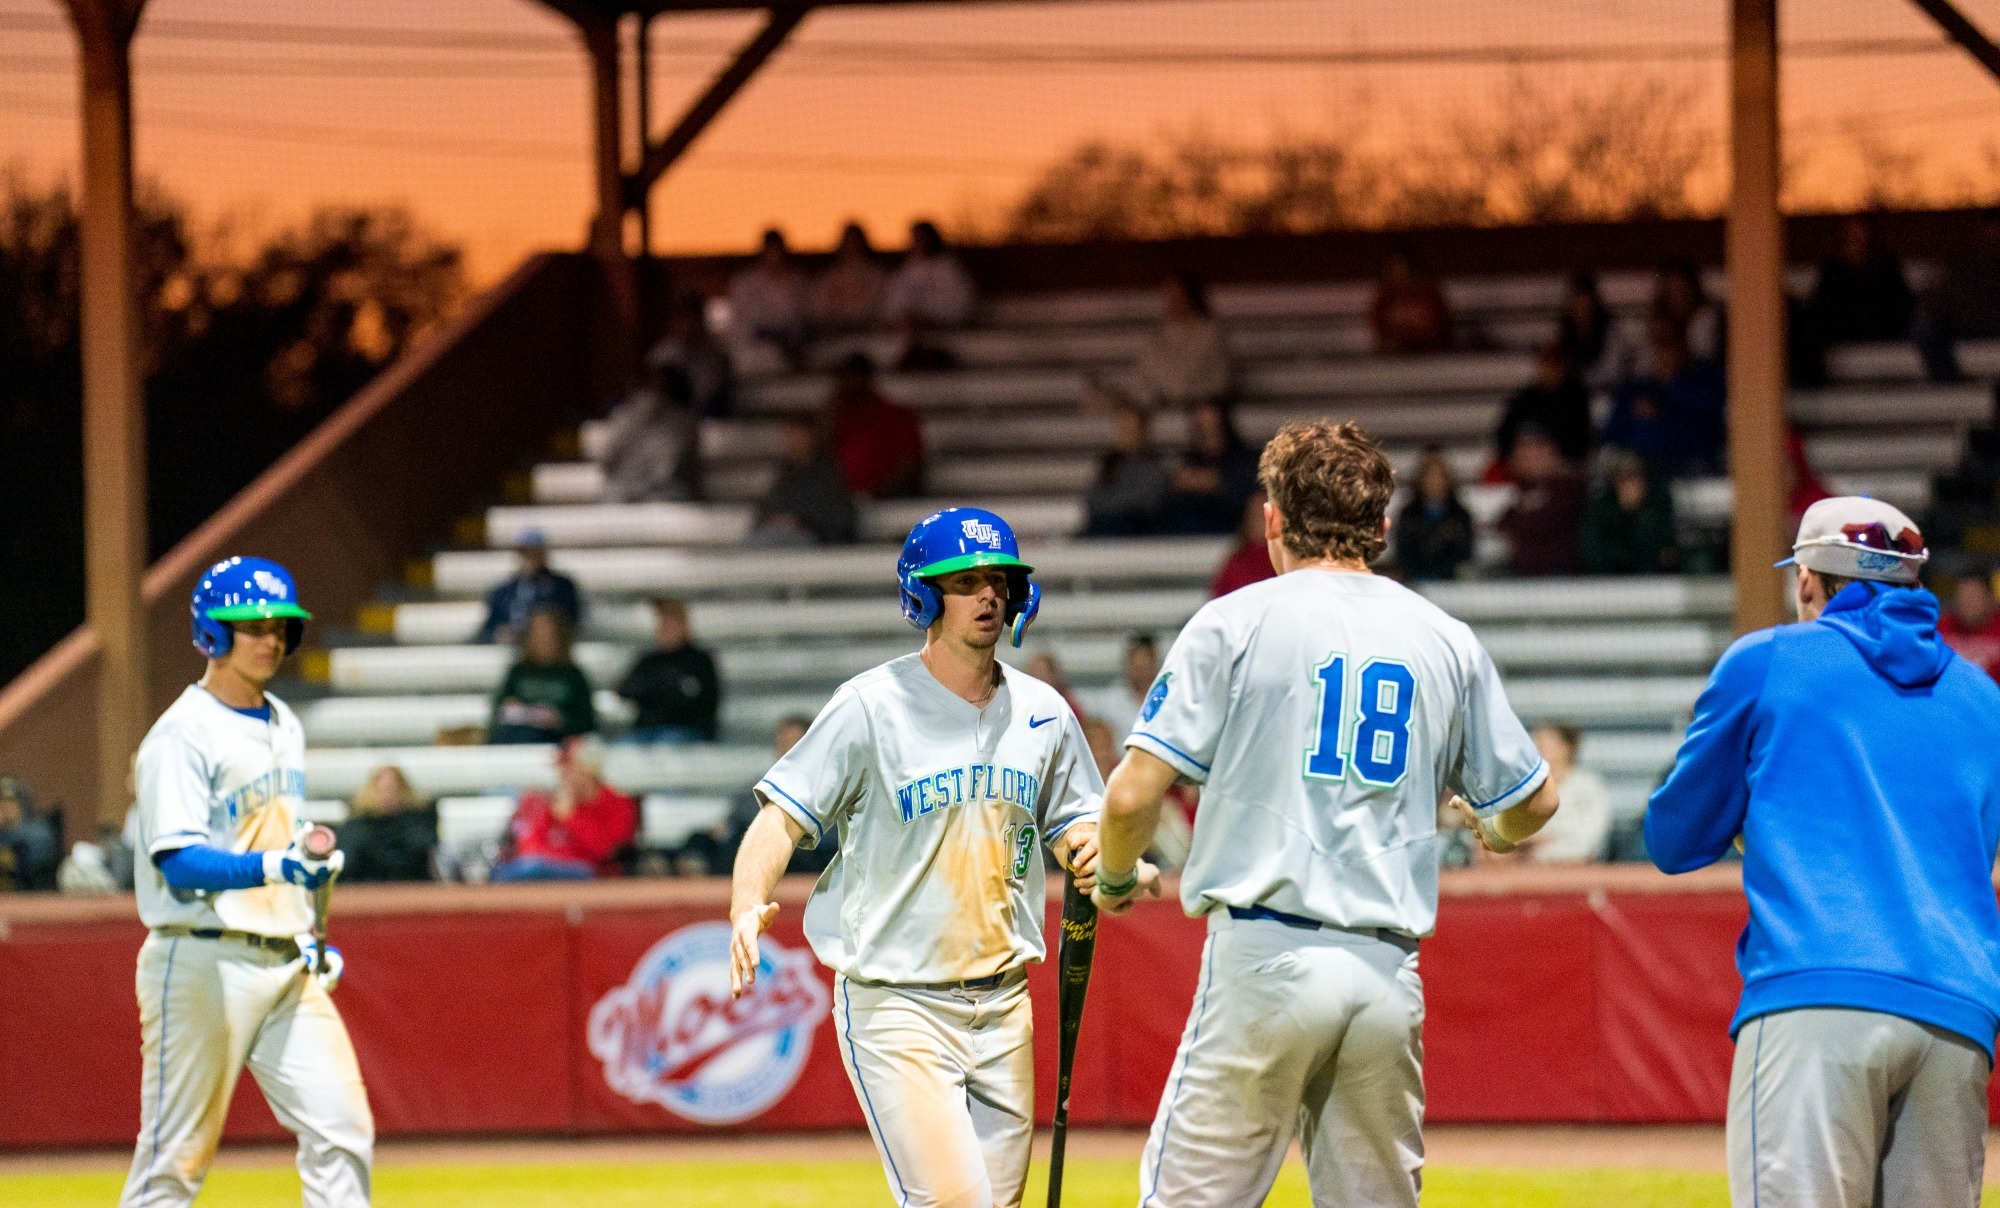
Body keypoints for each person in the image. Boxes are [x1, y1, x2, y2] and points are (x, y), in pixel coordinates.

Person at [1088, 420, 1558, 1208]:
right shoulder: (1444, 637)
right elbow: (1532, 801)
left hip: (1265, 955)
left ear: (1273, 517)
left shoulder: (1234, 620)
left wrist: (1110, 878)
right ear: (1381, 525)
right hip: (1384, 970)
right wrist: (1496, 829)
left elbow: (1133, 794)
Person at [727, 508, 1159, 1208]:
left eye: (998, 580)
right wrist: (747, 904)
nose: (987, 594)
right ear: (923, 596)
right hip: (898, 1004)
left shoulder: (1045, 712)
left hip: (1005, 1002)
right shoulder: (869, 706)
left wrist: (1106, 864)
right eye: (963, 582)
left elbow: (1079, 828)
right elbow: (779, 819)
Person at [1645, 497, 2000, 1208]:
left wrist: (1757, 814)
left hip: (1816, 993)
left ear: (1808, 578)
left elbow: (1675, 838)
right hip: (1959, 1013)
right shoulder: (1983, 696)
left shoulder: (1769, 659)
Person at [119, 556, 372, 1207]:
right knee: (175, 1161)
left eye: (279, 627)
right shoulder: (181, 733)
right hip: (201, 957)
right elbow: (178, 861)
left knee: (342, 1128)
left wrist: (304, 922)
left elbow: (275, 838)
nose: (269, 639)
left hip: (284, 961)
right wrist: (277, 866)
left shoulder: (284, 721)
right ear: (213, 632)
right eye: (252, 626)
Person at [490, 737, 637, 881]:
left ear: (589, 771)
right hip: (540, 869)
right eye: (561, 767)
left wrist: (572, 817)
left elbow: (604, 851)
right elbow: (529, 849)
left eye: (569, 767)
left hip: (591, 874)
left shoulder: (617, 802)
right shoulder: (544, 799)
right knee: (508, 872)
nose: (562, 774)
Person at [1602, 320, 1726, 480]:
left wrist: (1672, 386)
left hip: (1690, 463)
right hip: (1644, 467)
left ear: (1682, 346)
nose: (1663, 352)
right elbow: (1611, 432)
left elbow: (1711, 415)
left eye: (1668, 344)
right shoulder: (1638, 387)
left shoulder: (1703, 377)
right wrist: (1635, 414)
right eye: (1657, 345)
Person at [719, 716, 834, 876]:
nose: (786, 750)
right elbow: (736, 820)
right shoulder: (763, 787)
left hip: (808, 860)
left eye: (793, 743)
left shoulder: (830, 787)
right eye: (782, 743)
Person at [615, 597, 721, 744]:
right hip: (647, 731)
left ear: (683, 625)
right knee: (622, 749)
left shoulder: (699, 661)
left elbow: (700, 701)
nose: (664, 629)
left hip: (686, 731)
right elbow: (624, 689)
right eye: (662, 624)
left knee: (666, 745)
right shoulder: (650, 661)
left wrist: (658, 692)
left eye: (669, 624)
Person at [488, 608, 597, 745]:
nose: (543, 642)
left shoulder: (573, 675)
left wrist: (560, 719)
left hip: (558, 742)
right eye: (538, 636)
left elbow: (587, 721)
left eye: (549, 637)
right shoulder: (518, 672)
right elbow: (498, 711)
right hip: (519, 740)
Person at [1915, 208, 2000, 382]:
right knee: (1926, 328)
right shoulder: (1970, 260)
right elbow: (1949, 297)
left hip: (1991, 320)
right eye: (1993, 227)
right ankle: (1948, 383)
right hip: (1972, 320)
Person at [825, 352, 924, 500]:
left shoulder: (896, 416)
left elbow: (911, 465)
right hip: (838, 501)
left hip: (889, 500)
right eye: (846, 377)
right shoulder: (832, 417)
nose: (852, 382)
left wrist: (877, 494)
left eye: (856, 376)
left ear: (868, 378)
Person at [598, 365, 701, 504]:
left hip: (663, 494)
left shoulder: (683, 422)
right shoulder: (623, 416)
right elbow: (608, 461)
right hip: (625, 493)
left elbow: (672, 470)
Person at [751, 415, 859, 546]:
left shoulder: (828, 474)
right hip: (779, 535)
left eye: (798, 436)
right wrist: (776, 520)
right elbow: (765, 511)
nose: (793, 441)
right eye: (790, 436)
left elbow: (839, 519)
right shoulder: (784, 474)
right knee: (758, 539)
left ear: (811, 437)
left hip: (814, 540)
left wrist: (800, 521)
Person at [1808, 215, 1914, 346]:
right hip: (1839, 337)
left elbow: (1901, 306)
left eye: (1862, 239)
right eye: (1852, 239)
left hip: (1883, 335)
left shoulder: (1886, 268)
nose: (1857, 245)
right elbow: (1821, 310)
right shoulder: (1833, 271)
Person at [1160, 399, 1260, 535]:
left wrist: (1218, 483)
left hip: (1235, 531)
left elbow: (1253, 496)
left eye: (1212, 427)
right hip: (1190, 535)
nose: (1207, 433)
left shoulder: (1247, 461)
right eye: (1200, 428)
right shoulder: (1187, 462)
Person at [1496, 426, 1586, 577]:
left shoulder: (1569, 485)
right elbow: (1505, 523)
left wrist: (1522, 520)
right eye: (1523, 454)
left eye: (1534, 453)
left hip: (1561, 574)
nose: (1526, 460)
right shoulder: (1523, 489)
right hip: (1525, 575)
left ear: (1552, 452)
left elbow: (1545, 523)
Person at [1134, 271, 1231, 407]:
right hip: (1163, 403)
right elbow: (1144, 377)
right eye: (1167, 297)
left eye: (1176, 296)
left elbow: (1181, 383)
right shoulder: (1157, 334)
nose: (1170, 303)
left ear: (1190, 297)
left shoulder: (1208, 332)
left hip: (1204, 403)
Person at [1493, 344, 1592, 472]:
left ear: (1564, 368)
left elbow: (1580, 439)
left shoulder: (1575, 399)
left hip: (1562, 463)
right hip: (1522, 463)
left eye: (1555, 365)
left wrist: (1549, 453)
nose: (1550, 370)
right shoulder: (1526, 398)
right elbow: (1505, 435)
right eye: (1546, 364)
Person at [1520, 724, 1611, 863]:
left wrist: (1542, 849)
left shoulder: (1589, 787)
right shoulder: (1522, 789)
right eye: (1536, 743)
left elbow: (1589, 843)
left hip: (1577, 870)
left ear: (1568, 748)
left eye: (1547, 743)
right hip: (1526, 870)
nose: (1539, 748)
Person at [1581, 450, 1679, 576]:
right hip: (1611, 580)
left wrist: (1638, 514)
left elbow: (1665, 552)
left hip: (1655, 579)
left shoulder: (1658, 505)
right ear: (1614, 481)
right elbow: (1595, 553)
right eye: (1625, 479)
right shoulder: (1601, 510)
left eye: (1636, 478)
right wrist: (1625, 514)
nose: (1631, 485)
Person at [334, 766, 437, 883]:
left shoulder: (417, 824)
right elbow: (347, 866)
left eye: (393, 789)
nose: (387, 796)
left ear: (404, 791)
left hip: (412, 889)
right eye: (382, 790)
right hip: (366, 889)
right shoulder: (356, 828)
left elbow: (424, 857)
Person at [476, 530, 581, 645]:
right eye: (525, 552)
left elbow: (572, 621)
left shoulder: (563, 587)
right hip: (510, 647)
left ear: (544, 554)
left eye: (535, 552)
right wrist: (498, 633)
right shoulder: (502, 592)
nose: (530, 557)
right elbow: (489, 627)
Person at [1083, 401, 1170, 537]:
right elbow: (1092, 499)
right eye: (1122, 428)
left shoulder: (1153, 468)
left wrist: (1113, 503)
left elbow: (1147, 502)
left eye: (1131, 429)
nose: (1126, 435)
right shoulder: (1108, 466)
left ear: (1142, 432)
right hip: (1103, 529)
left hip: (1135, 533)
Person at [644, 290, 734, 418]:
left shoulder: (717, 355)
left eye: (691, 315)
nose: (686, 322)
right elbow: (650, 396)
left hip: (702, 421)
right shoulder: (662, 354)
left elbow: (711, 401)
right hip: (662, 418)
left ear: (701, 318)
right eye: (681, 316)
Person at [727, 228, 809, 366]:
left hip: (793, 347)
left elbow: (802, 320)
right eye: (770, 251)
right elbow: (740, 324)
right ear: (762, 252)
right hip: (754, 349)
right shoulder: (744, 283)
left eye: (777, 251)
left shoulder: (798, 281)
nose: (774, 257)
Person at [1393, 446, 1475, 582]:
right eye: (1429, 474)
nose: (1434, 480)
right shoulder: (1408, 515)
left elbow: (1465, 554)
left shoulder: (1460, 516)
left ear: (1447, 478)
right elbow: (1403, 553)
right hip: (1414, 582)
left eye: (1439, 475)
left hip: (1452, 584)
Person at [881, 219, 976, 333]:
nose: (917, 244)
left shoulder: (948, 269)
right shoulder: (905, 271)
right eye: (914, 239)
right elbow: (892, 304)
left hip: (941, 331)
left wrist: (926, 318)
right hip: (905, 331)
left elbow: (957, 305)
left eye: (921, 239)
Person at [1368, 244, 1452, 355]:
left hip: (1431, 356)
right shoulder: (1385, 298)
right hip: (1396, 358)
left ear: (1411, 267)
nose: (1394, 272)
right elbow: (1380, 334)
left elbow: (1443, 329)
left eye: (1399, 266)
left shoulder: (1430, 294)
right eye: (1390, 267)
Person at [810, 221, 887, 335]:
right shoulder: (828, 277)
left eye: (855, 243)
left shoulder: (876, 276)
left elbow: (883, 309)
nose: (851, 247)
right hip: (834, 334)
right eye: (848, 243)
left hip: (868, 332)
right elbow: (817, 311)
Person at [1082, 633, 1160, 742]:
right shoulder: (1109, 703)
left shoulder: (1170, 700)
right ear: (1127, 664)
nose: (1141, 674)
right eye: (1137, 667)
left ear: (1155, 664)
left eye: (1145, 667)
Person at [1209, 490, 1279, 597]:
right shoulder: (1235, 564)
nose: (1260, 520)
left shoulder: (1286, 561)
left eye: (1264, 515)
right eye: (1255, 514)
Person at [0, 776, 59, 892]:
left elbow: (38, 856)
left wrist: (9, 829)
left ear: (22, 804)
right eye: (1, 801)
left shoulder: (39, 830)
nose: (5, 806)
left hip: (30, 893)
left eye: (10, 801)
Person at [1557, 269, 1615, 387]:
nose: (1581, 311)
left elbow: (1611, 372)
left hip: (1606, 389)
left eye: (1585, 306)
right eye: (1576, 304)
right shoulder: (1563, 332)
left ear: (1593, 304)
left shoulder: (1610, 333)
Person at [1939, 572, 2000, 681]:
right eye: (1963, 597)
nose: (1967, 603)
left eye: (1974, 597)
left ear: (1989, 599)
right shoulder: (1941, 628)